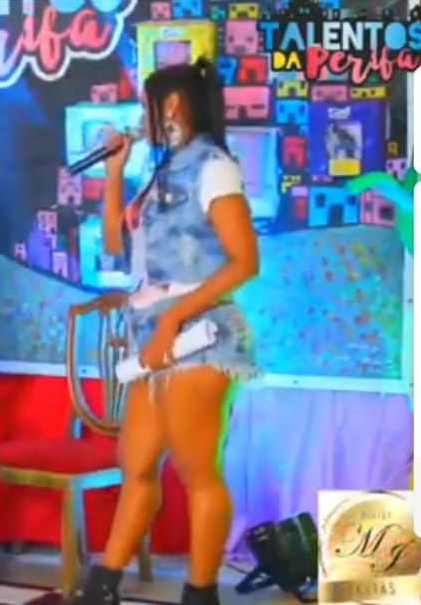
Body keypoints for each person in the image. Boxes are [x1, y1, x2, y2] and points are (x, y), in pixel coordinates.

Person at [70, 59, 260, 605]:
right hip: (153, 337)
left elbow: (245, 261)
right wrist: (114, 172)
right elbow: (114, 243)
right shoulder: (163, 170)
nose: (141, 118)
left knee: (197, 472)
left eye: (146, 106)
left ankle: (200, 592)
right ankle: (103, 583)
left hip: (201, 335)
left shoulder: (213, 167)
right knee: (136, 463)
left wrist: (175, 318)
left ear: (171, 106)